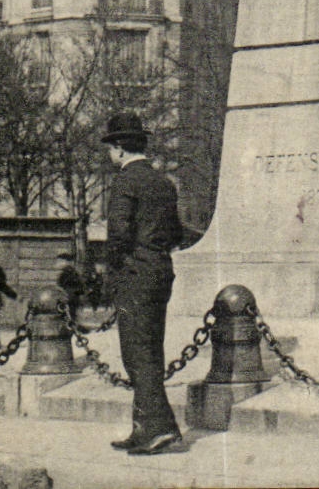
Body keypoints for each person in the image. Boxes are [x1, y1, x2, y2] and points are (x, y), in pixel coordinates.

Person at [104, 112, 186, 455]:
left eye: (110, 147)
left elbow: (118, 233)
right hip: (160, 270)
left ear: (120, 148)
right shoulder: (164, 183)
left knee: (137, 354)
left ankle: (158, 429)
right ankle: (143, 428)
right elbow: (177, 232)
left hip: (135, 274)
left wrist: (112, 269)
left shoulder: (126, 181)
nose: (110, 154)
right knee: (150, 350)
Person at [54, 252, 86, 326]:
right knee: (70, 318)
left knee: (69, 319)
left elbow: (77, 287)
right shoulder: (69, 272)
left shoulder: (68, 273)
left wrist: (65, 295)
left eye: (60, 261)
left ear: (66, 262)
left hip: (69, 299)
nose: (57, 263)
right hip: (70, 299)